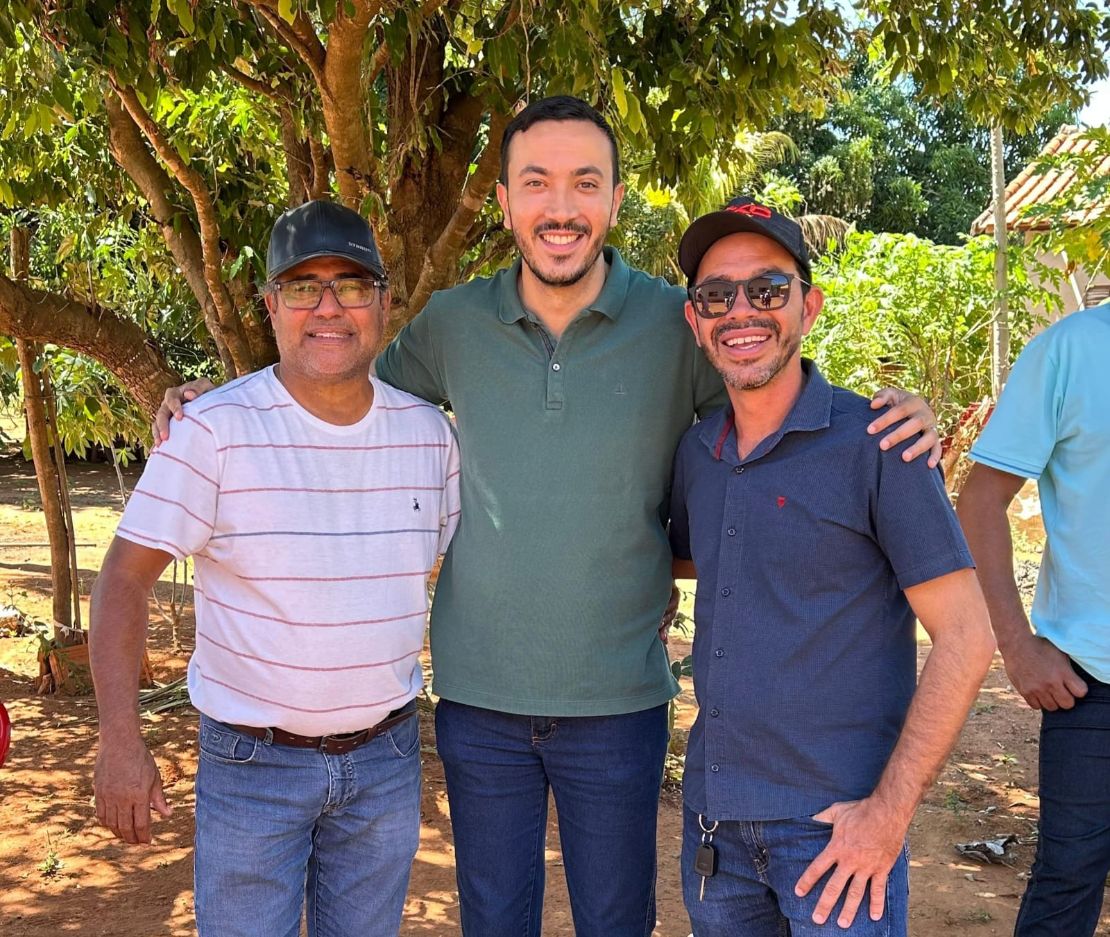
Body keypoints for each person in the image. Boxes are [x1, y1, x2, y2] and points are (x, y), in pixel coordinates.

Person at [153, 98, 941, 936]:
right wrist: (217, 397)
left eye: (584, 183)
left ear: (615, 199)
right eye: (536, 183)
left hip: (620, 698)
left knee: (614, 919)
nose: (560, 207)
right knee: (495, 918)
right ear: (503, 202)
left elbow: (768, 410)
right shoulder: (453, 322)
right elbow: (333, 384)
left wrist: (885, 411)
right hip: (479, 699)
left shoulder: (677, 323)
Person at [91, 200, 461, 937]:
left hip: (385, 761)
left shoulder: (428, 437)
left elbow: (463, 573)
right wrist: (121, 739)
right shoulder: (211, 430)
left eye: (351, 285)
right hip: (251, 765)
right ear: (270, 305)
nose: (328, 308)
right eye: (302, 287)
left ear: (385, 302)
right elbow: (123, 580)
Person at [667, 198, 996, 936]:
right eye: (716, 295)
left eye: (768, 289)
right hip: (715, 830)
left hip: (837, 835)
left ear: (807, 307)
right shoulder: (698, 453)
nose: (741, 311)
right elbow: (696, 562)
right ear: (695, 319)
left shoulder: (880, 442)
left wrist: (888, 816)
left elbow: (968, 637)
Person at [957, 302, 1110, 937]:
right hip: (1093, 682)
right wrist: (1016, 646)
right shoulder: (1072, 349)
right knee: (1068, 880)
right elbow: (980, 501)